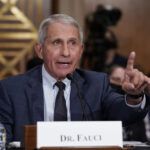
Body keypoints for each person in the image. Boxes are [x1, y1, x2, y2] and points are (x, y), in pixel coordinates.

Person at [0, 14, 150, 145]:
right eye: (57, 43)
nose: (66, 52)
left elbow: (124, 114)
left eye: (73, 43)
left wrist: (134, 96)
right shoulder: (11, 90)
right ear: (40, 50)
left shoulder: (96, 84)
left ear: (81, 51)